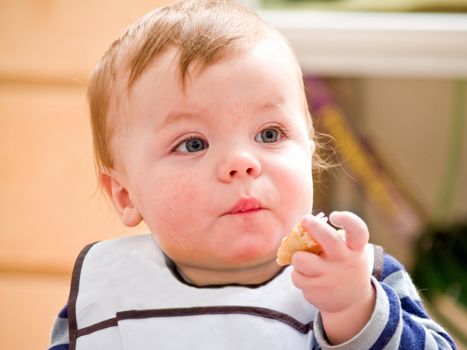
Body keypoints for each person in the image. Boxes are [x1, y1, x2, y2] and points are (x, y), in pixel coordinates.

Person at [48, 1, 456, 349]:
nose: (242, 162)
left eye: (269, 134)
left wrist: (355, 312)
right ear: (123, 194)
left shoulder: (359, 278)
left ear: (310, 155)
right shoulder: (105, 293)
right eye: (193, 143)